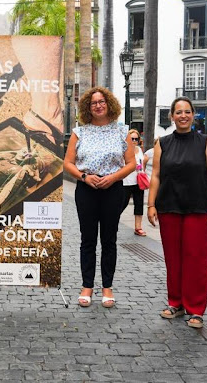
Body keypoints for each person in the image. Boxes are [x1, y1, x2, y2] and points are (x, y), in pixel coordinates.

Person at [147, 96, 207, 329]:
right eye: (178, 112)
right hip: (169, 206)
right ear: (171, 116)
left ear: (193, 115)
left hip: (198, 207)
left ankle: (196, 309)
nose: (183, 116)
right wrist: (150, 205)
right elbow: (156, 175)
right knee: (173, 258)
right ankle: (176, 303)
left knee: (196, 259)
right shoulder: (163, 143)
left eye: (187, 112)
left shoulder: (206, 142)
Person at [64, 87, 136, 308]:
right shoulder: (80, 132)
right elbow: (67, 163)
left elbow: (132, 163)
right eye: (93, 102)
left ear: (109, 104)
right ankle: (87, 286)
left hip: (113, 189)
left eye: (102, 101)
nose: (98, 105)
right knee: (87, 240)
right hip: (86, 189)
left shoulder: (122, 131)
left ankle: (107, 287)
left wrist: (113, 178)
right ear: (88, 107)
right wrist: (84, 177)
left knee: (109, 239)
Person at [121, 129, 149, 236]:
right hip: (126, 181)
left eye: (136, 139)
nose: (133, 141)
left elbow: (143, 162)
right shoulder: (124, 150)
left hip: (139, 181)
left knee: (139, 204)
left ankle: (138, 227)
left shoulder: (139, 149)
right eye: (131, 138)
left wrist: (142, 170)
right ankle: (111, 221)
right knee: (122, 203)